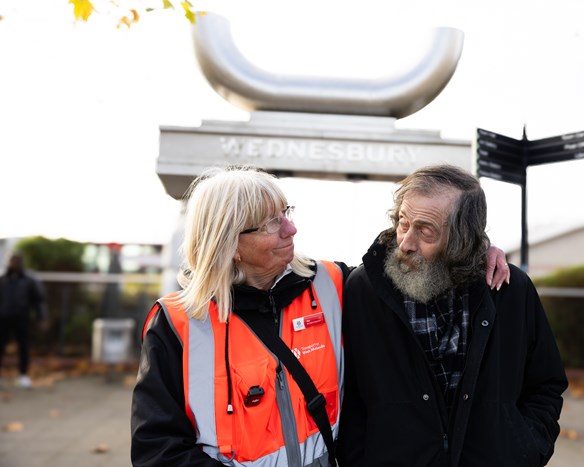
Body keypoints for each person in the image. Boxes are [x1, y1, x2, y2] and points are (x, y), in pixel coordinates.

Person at [130, 165, 510, 466]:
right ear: (230, 244)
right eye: (271, 223)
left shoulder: (331, 283)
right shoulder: (176, 324)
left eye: (286, 213)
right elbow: (156, 448)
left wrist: (475, 249)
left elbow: (414, 253)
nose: (291, 228)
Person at [337, 164, 568, 467]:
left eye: (426, 231)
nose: (406, 243)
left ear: (462, 238)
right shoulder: (364, 287)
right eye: (403, 223)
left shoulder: (509, 289)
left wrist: (526, 449)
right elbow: (349, 393)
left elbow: (545, 384)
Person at [0, 252, 48, 389]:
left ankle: (23, 375)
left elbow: (39, 301)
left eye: (16, 260)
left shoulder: (29, 280)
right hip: (3, 318)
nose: (13, 263)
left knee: (23, 347)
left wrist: (42, 317)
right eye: (11, 260)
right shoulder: (3, 279)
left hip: (22, 318)